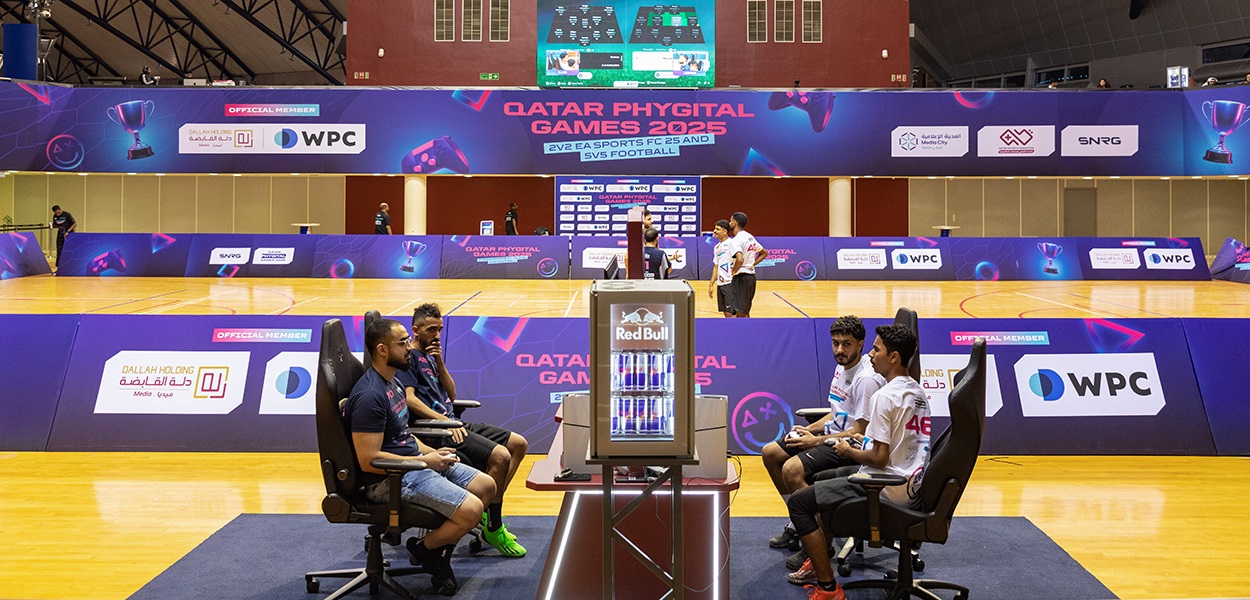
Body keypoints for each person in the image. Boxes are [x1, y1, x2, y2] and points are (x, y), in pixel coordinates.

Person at [346, 317, 497, 595]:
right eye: (402, 343)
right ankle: (426, 549)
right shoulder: (370, 396)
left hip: (414, 462)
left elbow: (404, 434)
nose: (409, 348)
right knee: (472, 510)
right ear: (382, 350)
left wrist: (432, 452)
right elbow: (369, 460)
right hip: (389, 478)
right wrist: (425, 462)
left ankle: (434, 551)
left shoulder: (393, 383)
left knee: (487, 485)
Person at [785, 324, 930, 598]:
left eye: (876, 349)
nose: (871, 355)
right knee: (820, 481)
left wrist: (847, 450)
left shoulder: (883, 396)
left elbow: (879, 457)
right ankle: (818, 559)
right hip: (910, 482)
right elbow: (893, 445)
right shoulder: (917, 391)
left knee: (799, 504)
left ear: (894, 357)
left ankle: (828, 588)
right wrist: (859, 443)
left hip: (884, 486)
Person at [398, 303, 530, 558]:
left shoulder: (431, 355)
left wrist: (439, 362)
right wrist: (445, 422)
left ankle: (487, 511)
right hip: (436, 429)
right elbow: (409, 399)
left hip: (453, 422)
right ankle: (494, 526)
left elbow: (452, 394)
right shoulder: (408, 358)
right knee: (501, 456)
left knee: (518, 444)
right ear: (415, 330)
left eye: (439, 329)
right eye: (431, 329)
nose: (437, 335)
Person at [761, 316, 884, 567]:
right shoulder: (842, 367)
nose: (840, 350)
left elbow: (859, 430)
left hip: (849, 445)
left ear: (861, 344)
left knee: (791, 469)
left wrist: (814, 442)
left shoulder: (866, 379)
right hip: (832, 435)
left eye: (846, 344)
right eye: (835, 343)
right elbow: (836, 413)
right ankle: (799, 525)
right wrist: (809, 430)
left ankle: (817, 543)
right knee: (770, 453)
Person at [727, 212, 767, 318]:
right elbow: (764, 253)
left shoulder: (736, 240)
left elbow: (740, 259)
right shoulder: (749, 237)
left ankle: (743, 329)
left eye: (730, 221)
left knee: (740, 313)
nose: (729, 223)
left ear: (735, 223)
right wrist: (752, 264)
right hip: (750, 278)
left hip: (741, 278)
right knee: (745, 311)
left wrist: (733, 271)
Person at [708, 220, 736, 318]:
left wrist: (734, 274)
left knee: (732, 313)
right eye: (715, 229)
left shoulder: (732, 243)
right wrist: (711, 285)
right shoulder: (716, 247)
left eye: (717, 229)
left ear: (725, 231)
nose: (714, 231)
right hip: (720, 284)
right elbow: (716, 266)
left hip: (730, 283)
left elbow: (740, 259)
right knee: (725, 312)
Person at [51, 205, 76, 269]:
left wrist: (68, 231)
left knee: (69, 250)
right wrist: (52, 225)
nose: (58, 214)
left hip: (69, 234)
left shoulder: (67, 215)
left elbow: (74, 224)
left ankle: (70, 266)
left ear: (60, 209)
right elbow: (56, 225)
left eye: (58, 212)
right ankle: (58, 267)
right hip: (60, 234)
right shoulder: (55, 216)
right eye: (56, 213)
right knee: (59, 250)